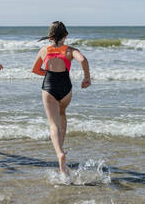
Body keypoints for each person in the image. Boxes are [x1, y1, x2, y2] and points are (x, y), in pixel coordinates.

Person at [31, 21, 90, 174]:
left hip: (49, 87)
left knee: (53, 124)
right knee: (62, 113)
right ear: (66, 35)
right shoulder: (70, 51)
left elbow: (35, 69)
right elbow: (83, 60)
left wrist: (49, 74)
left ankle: (59, 154)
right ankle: (62, 148)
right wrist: (86, 78)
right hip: (66, 89)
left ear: (50, 37)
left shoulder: (44, 50)